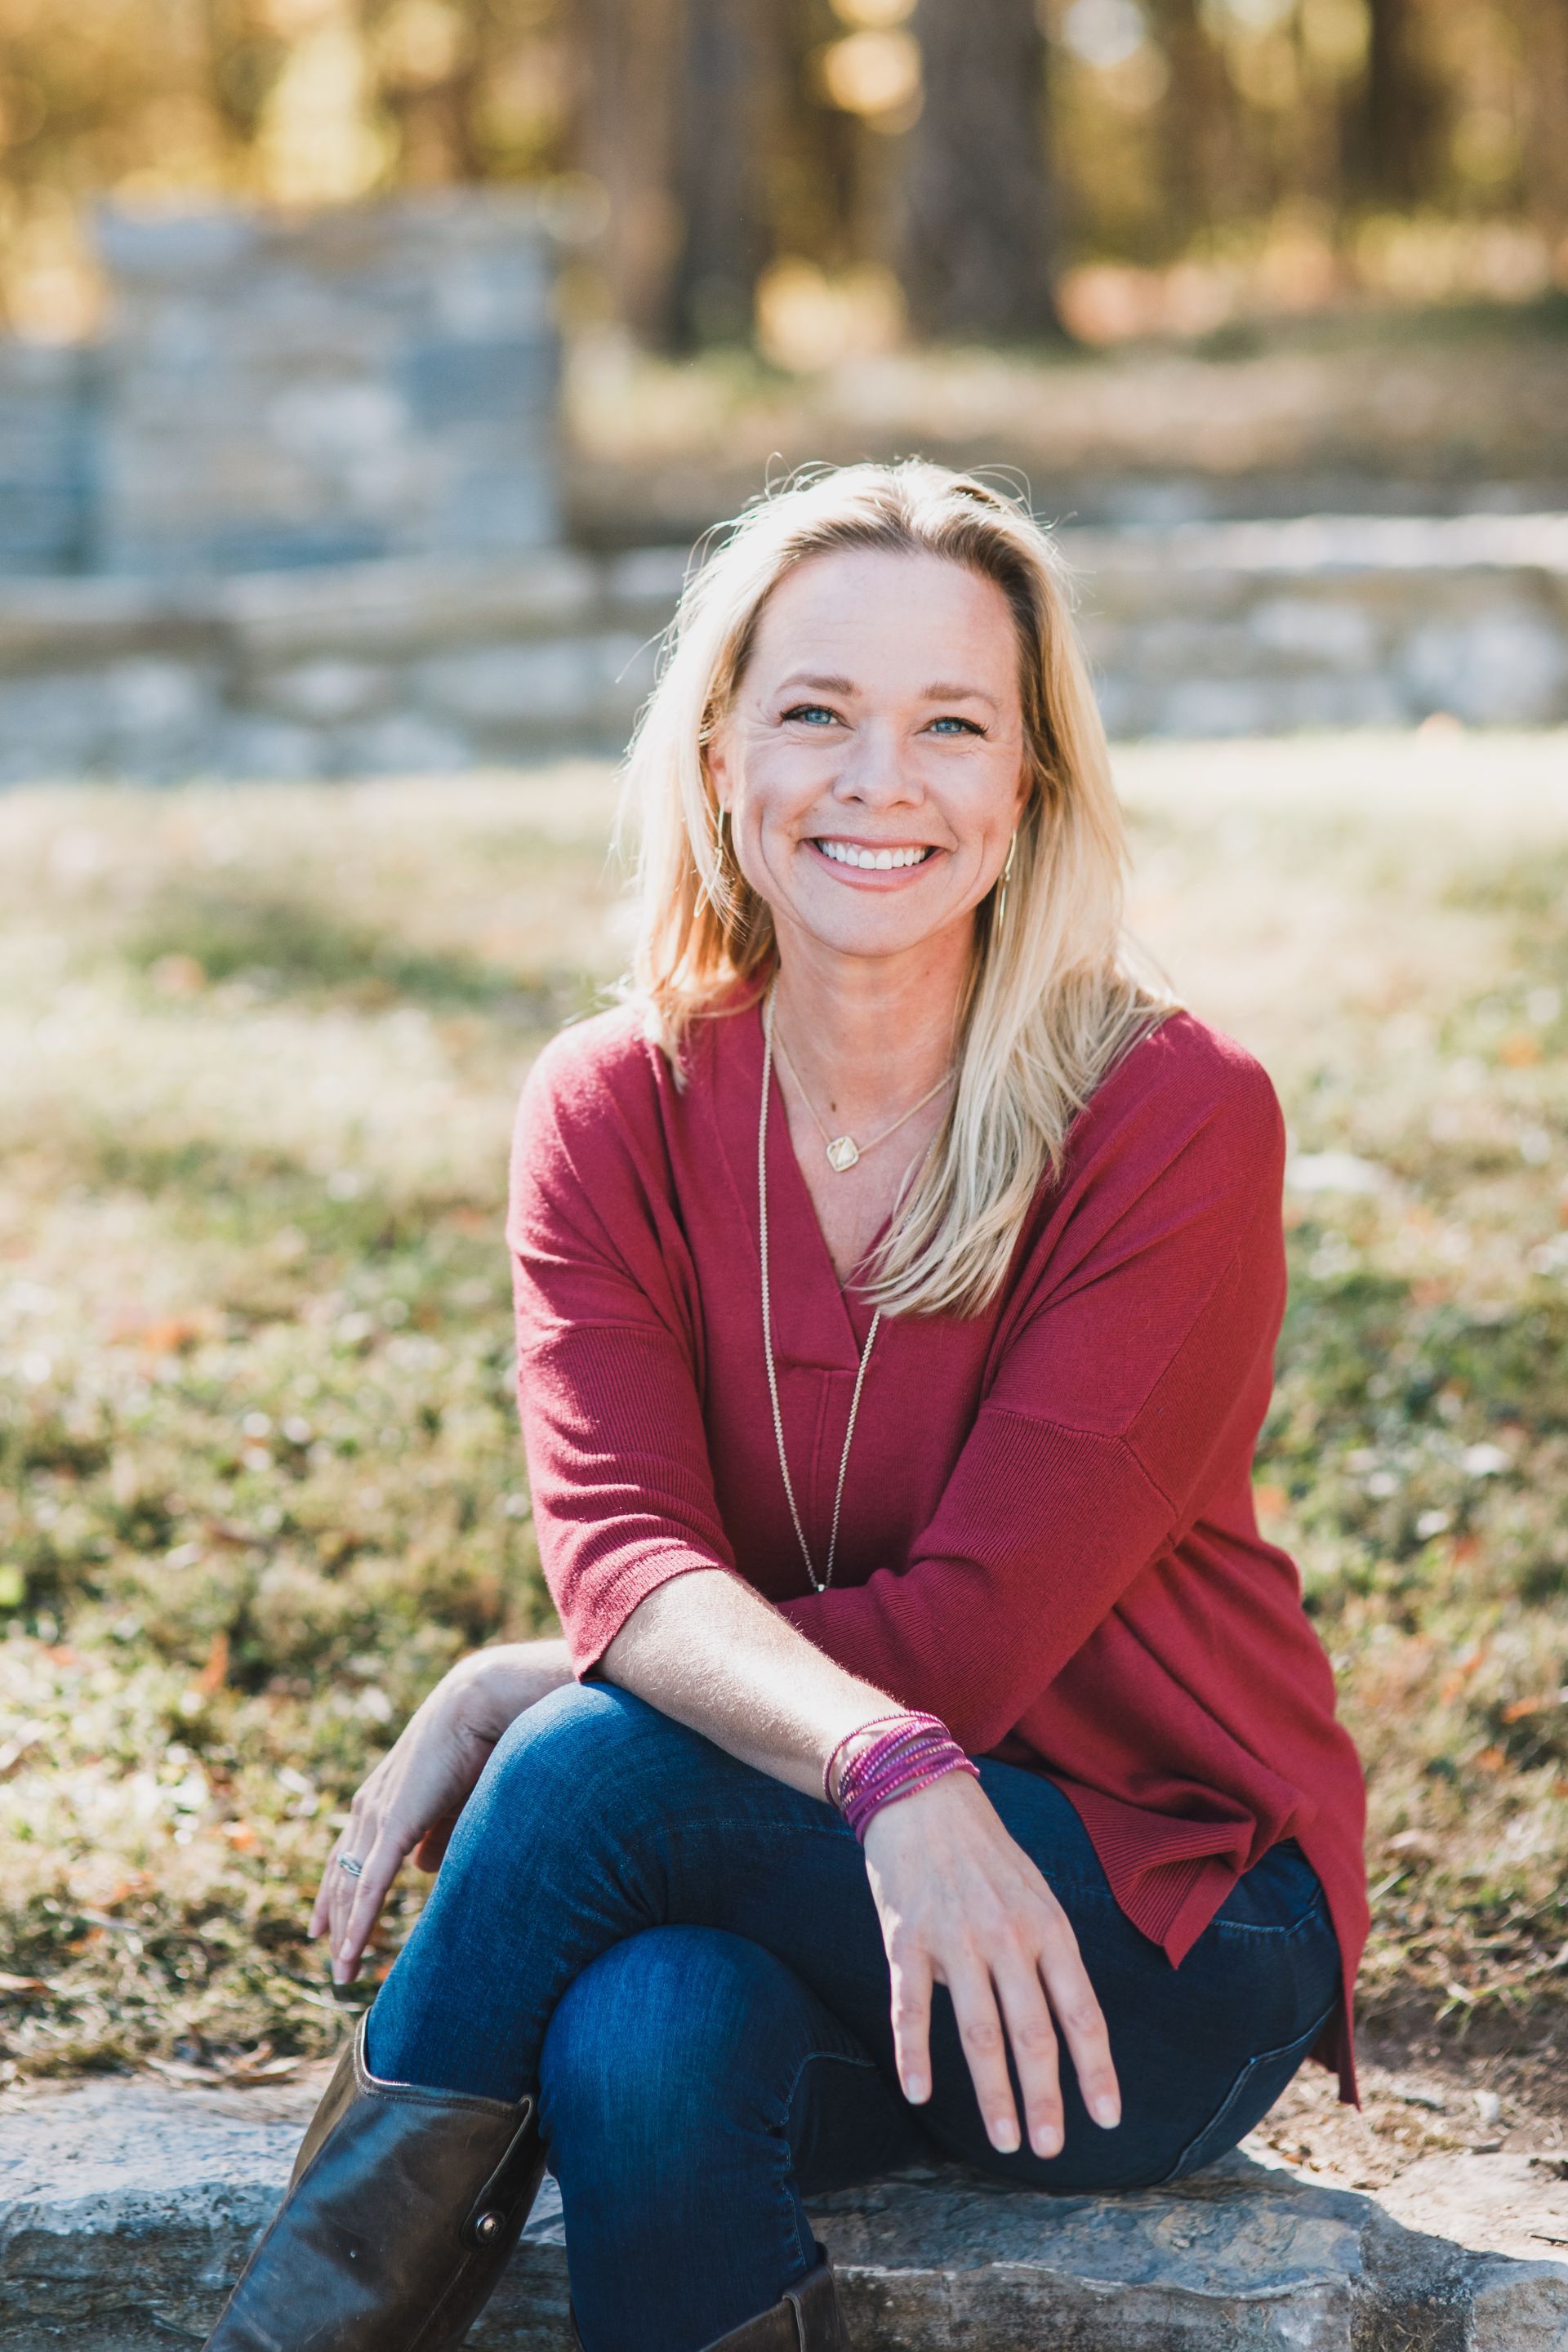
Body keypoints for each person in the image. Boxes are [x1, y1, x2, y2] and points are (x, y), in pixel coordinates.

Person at [203, 462, 1368, 2352]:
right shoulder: (613, 1108)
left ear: (1030, 788)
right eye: (815, 711)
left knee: (577, 1765)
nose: (875, 779)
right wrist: (856, 1759)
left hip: (1152, 1923)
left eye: (951, 726)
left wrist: (565, 1685)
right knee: (643, 2034)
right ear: (722, 754)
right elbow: (628, 1552)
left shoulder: (1171, 1118)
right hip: (817, 1882)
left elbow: (969, 1648)